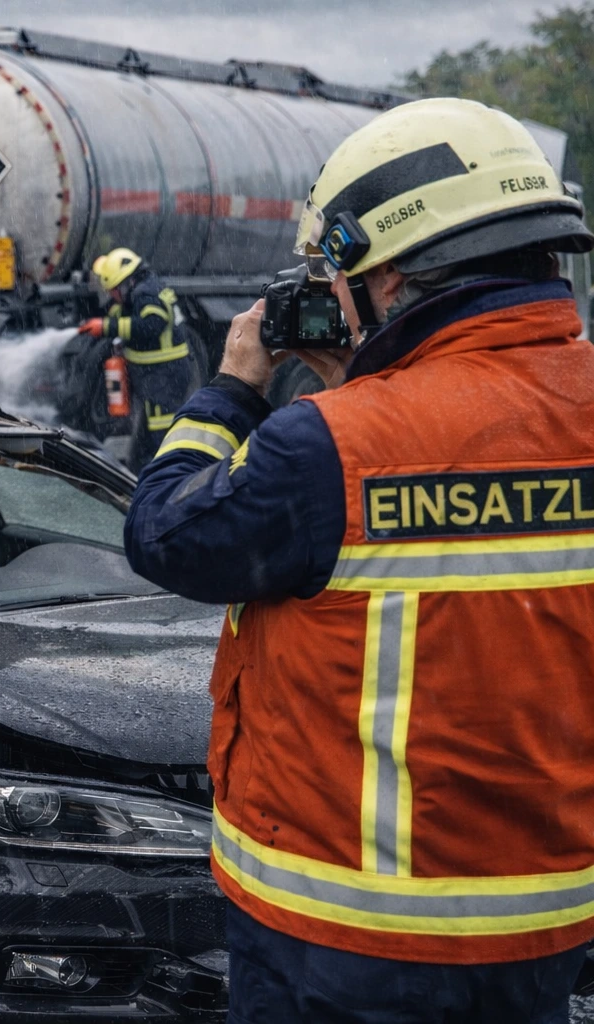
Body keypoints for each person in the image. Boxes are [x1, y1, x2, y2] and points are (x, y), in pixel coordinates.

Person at [124, 97, 594, 1023]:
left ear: (383, 274)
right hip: (549, 921)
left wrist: (233, 389)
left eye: (332, 276)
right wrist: (371, 386)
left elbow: (164, 533)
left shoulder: (325, 448)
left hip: (346, 937)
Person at [67, 247, 201, 469]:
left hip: (163, 376)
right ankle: (144, 470)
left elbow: (151, 325)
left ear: (124, 283)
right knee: (147, 432)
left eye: (113, 291)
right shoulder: (146, 287)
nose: (112, 296)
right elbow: (132, 316)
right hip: (158, 375)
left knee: (162, 431)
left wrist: (107, 326)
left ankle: (169, 472)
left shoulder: (146, 294)